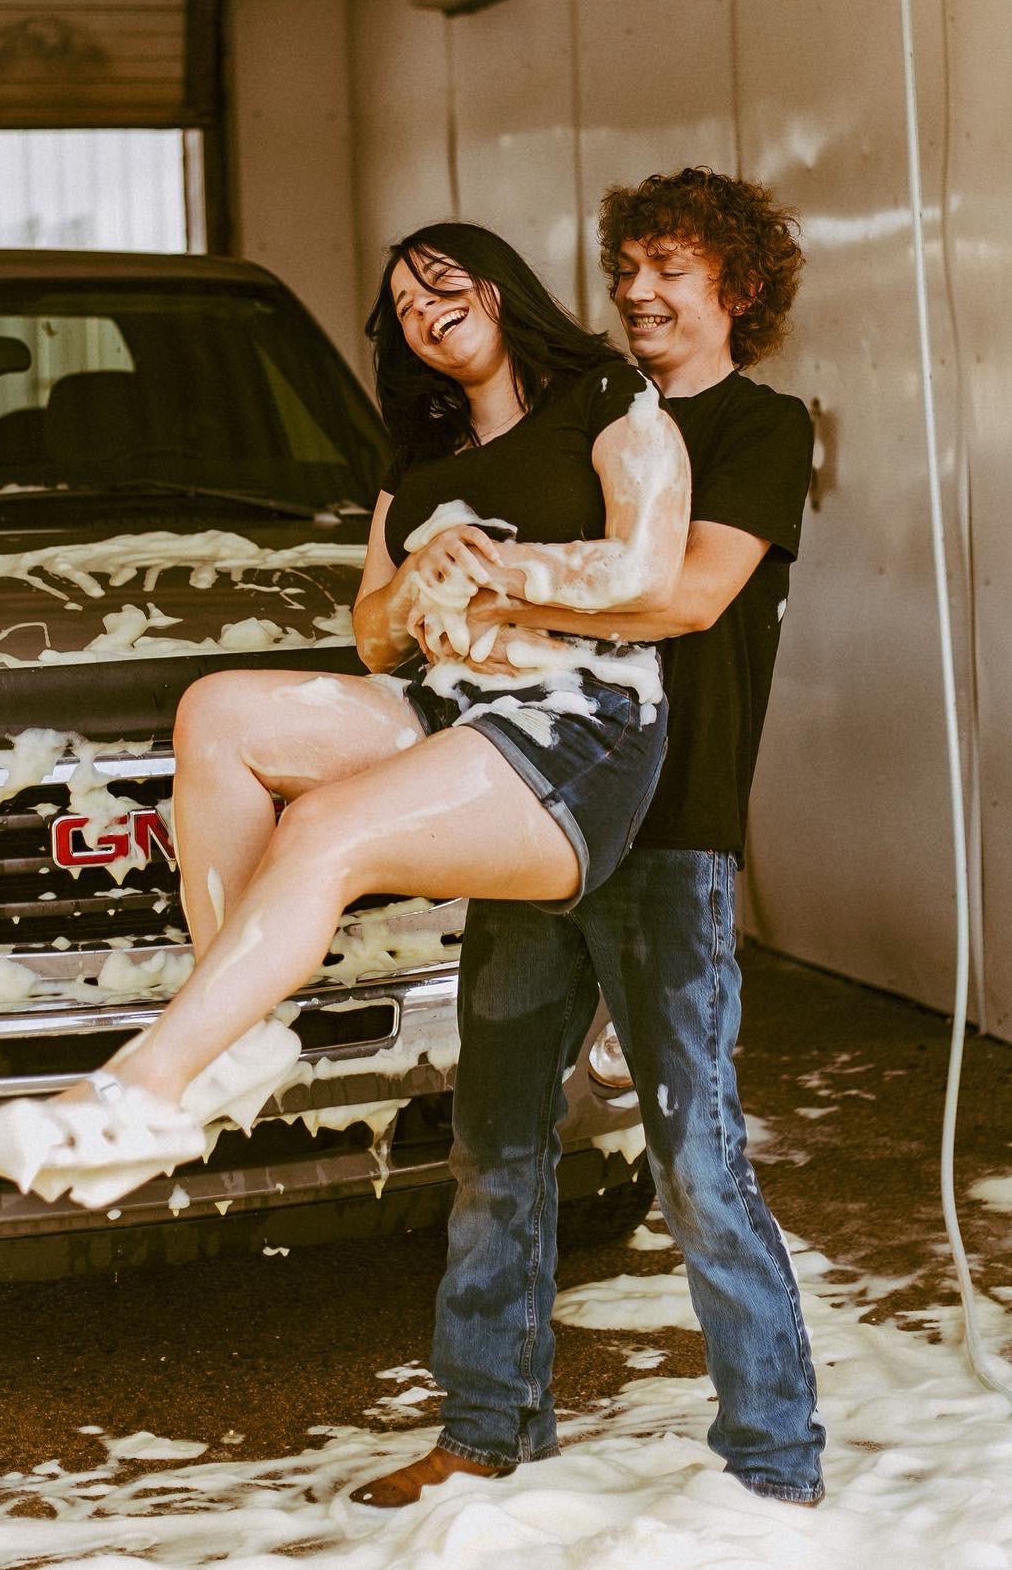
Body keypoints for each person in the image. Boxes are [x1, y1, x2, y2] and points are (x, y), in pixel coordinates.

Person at [0, 221, 692, 1215]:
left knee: (322, 828)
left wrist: (490, 570)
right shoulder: (420, 451)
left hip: (578, 719)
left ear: (500, 285)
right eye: (406, 308)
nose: (426, 312)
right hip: (447, 700)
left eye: (443, 284)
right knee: (218, 711)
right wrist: (420, 580)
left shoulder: (605, 398)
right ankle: (242, 1033)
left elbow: (648, 570)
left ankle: (145, 1086)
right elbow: (374, 635)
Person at [351, 167, 825, 1511]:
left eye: (670, 268)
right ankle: (484, 1426)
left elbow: (686, 593)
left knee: (695, 1154)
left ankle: (773, 1459)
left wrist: (496, 586)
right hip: (530, 815)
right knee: (496, 1142)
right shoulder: (575, 414)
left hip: (670, 832)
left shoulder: (757, 426)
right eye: (626, 269)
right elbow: (401, 605)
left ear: (738, 286)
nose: (638, 291)